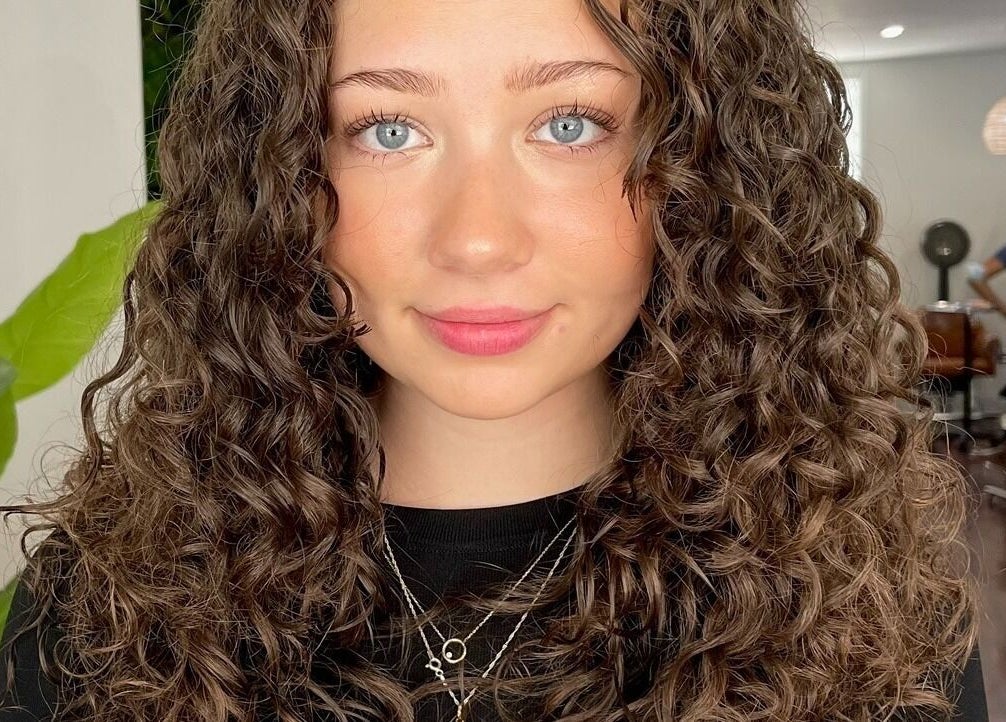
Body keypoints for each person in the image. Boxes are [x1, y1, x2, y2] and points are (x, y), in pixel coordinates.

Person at [0, 0, 990, 719]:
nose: (478, 238)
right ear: (280, 180)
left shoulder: (866, 608)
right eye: (388, 130)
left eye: (570, 125)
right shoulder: (104, 604)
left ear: (705, 168)